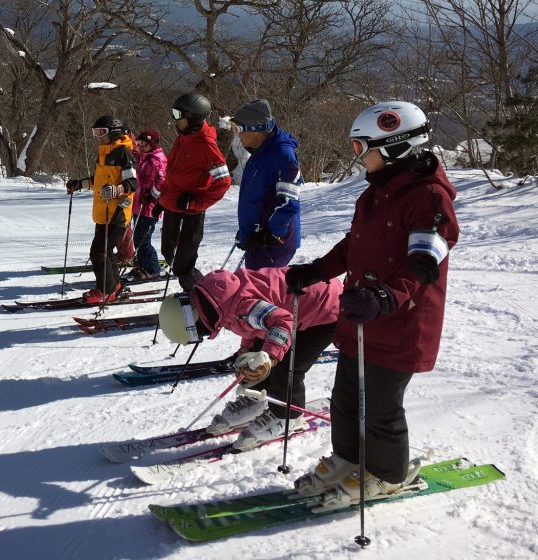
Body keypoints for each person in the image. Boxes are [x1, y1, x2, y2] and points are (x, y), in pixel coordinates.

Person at [284, 101, 458, 507]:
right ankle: (349, 460)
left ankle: (389, 475)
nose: (357, 157)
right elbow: (354, 246)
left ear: (396, 146)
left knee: (381, 407)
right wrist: (315, 271)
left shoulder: (430, 197)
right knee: (344, 397)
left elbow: (426, 260)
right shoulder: (375, 194)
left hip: (401, 322)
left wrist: (386, 296)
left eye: (362, 147)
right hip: (361, 317)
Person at [159, 266, 341, 451]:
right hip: (296, 310)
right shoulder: (220, 299)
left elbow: (281, 322)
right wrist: (246, 348)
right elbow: (253, 323)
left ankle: (288, 417)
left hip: (324, 312)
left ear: (195, 321)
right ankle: (256, 400)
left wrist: (270, 356)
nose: (202, 336)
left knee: (285, 366)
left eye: (197, 334)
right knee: (249, 359)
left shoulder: (240, 306)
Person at [156, 92, 232, 292]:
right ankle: (197, 291)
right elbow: (174, 174)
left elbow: (223, 181)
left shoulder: (206, 144)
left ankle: (203, 296)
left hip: (191, 211)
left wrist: (195, 202)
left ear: (193, 117)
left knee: (183, 263)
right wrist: (161, 200)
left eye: (177, 114)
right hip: (172, 206)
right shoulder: (183, 138)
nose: (174, 120)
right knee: (168, 253)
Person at [66, 115, 137, 305]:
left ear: (113, 132)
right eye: (95, 132)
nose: (97, 136)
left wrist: (117, 189)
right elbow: (98, 180)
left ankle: (106, 291)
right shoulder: (103, 152)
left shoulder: (124, 153)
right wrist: (79, 184)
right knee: (106, 252)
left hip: (118, 213)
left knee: (98, 252)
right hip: (102, 212)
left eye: (101, 132)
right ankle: (113, 286)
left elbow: (133, 182)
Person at [231, 99, 303, 269]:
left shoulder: (282, 155)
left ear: (254, 130)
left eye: (238, 129)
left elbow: (289, 203)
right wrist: (246, 231)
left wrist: (270, 235)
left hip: (272, 243)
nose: (237, 135)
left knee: (259, 291)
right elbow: (256, 198)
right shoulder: (260, 152)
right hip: (258, 239)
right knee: (254, 288)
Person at [125, 128, 167, 281]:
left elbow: (163, 181)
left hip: (150, 207)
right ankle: (143, 265)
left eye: (143, 143)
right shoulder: (144, 156)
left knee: (142, 238)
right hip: (139, 204)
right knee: (138, 238)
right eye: (138, 143)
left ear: (152, 143)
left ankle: (152, 268)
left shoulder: (157, 159)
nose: (139, 146)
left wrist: (152, 196)